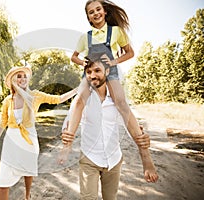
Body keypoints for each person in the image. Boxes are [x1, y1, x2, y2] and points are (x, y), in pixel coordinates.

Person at [59, 52, 158, 199]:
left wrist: (143, 148)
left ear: (107, 71)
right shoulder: (82, 98)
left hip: (113, 159)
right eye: (89, 72)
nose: (93, 75)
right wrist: (66, 144)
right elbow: (72, 118)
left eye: (97, 70)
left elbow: (129, 121)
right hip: (89, 159)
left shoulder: (117, 99)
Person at [0, 65, 78, 200]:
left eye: (25, 76)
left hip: (29, 140)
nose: (23, 79)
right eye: (19, 76)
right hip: (11, 141)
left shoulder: (34, 95)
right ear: (13, 79)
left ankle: (27, 195)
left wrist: (78, 89)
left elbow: (58, 99)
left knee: (28, 170)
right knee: (3, 183)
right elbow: (2, 123)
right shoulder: (8, 101)